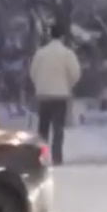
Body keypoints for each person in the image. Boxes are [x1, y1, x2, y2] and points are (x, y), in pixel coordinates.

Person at [28, 22, 83, 165]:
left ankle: (41, 157)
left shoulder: (40, 54)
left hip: (44, 95)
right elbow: (76, 73)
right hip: (61, 95)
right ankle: (57, 157)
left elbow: (33, 72)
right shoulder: (67, 54)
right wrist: (68, 85)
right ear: (63, 36)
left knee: (43, 128)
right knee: (58, 128)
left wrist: (40, 85)